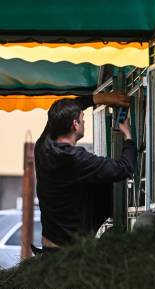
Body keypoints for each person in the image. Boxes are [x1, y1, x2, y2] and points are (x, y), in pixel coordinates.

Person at [34, 92, 135, 253]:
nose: (84, 121)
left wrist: (104, 98)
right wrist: (128, 137)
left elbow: (70, 107)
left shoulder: (42, 147)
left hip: (49, 248)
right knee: (104, 181)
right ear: (75, 124)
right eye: (82, 119)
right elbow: (124, 168)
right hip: (70, 255)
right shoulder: (77, 159)